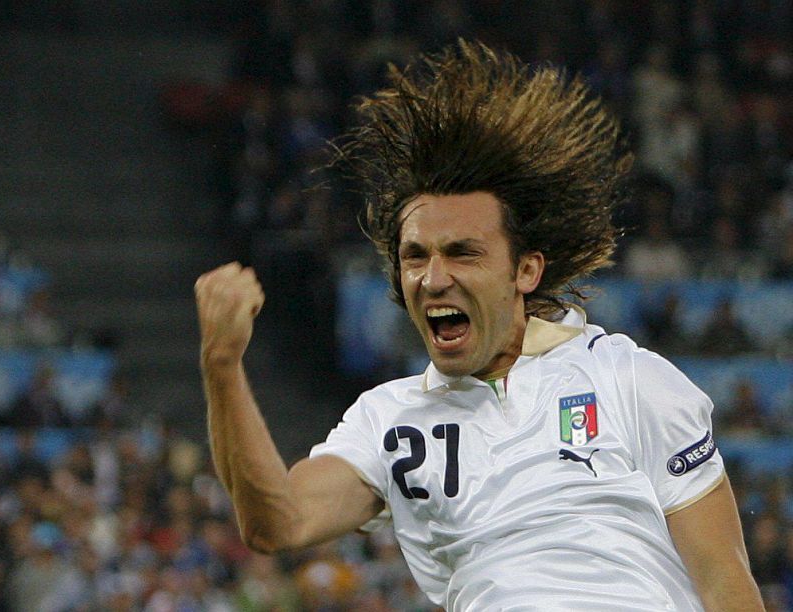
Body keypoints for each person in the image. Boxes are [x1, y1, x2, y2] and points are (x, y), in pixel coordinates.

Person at [195, 41, 762, 611]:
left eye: (462, 253)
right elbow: (277, 523)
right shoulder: (388, 422)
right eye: (415, 256)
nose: (432, 278)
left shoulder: (629, 379)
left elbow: (726, 583)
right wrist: (222, 368)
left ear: (525, 270)